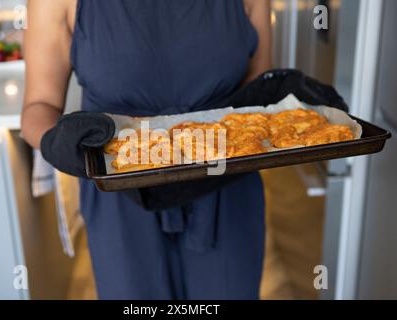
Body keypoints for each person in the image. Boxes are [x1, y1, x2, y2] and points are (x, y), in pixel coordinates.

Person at [22, 0, 345, 299]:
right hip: (121, 198)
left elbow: (257, 88)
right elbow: (39, 106)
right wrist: (60, 142)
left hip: (225, 187)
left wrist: (291, 103)